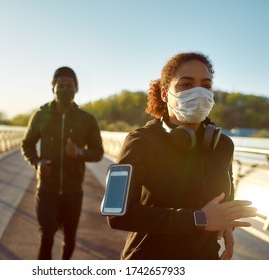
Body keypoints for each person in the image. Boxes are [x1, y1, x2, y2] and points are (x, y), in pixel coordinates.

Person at [107, 52, 257, 260]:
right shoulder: (139, 141)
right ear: (164, 94)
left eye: (205, 86)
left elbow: (223, 199)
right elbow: (116, 214)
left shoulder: (222, 145)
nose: (198, 93)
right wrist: (199, 219)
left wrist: (228, 226)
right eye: (186, 85)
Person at [21, 66, 104, 260]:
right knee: (46, 237)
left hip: (73, 191)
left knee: (70, 239)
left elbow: (98, 152)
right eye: (60, 85)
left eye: (69, 86)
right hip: (46, 190)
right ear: (53, 88)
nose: (65, 89)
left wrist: (79, 152)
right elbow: (26, 145)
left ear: (76, 89)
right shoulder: (40, 115)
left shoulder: (87, 119)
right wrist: (37, 162)